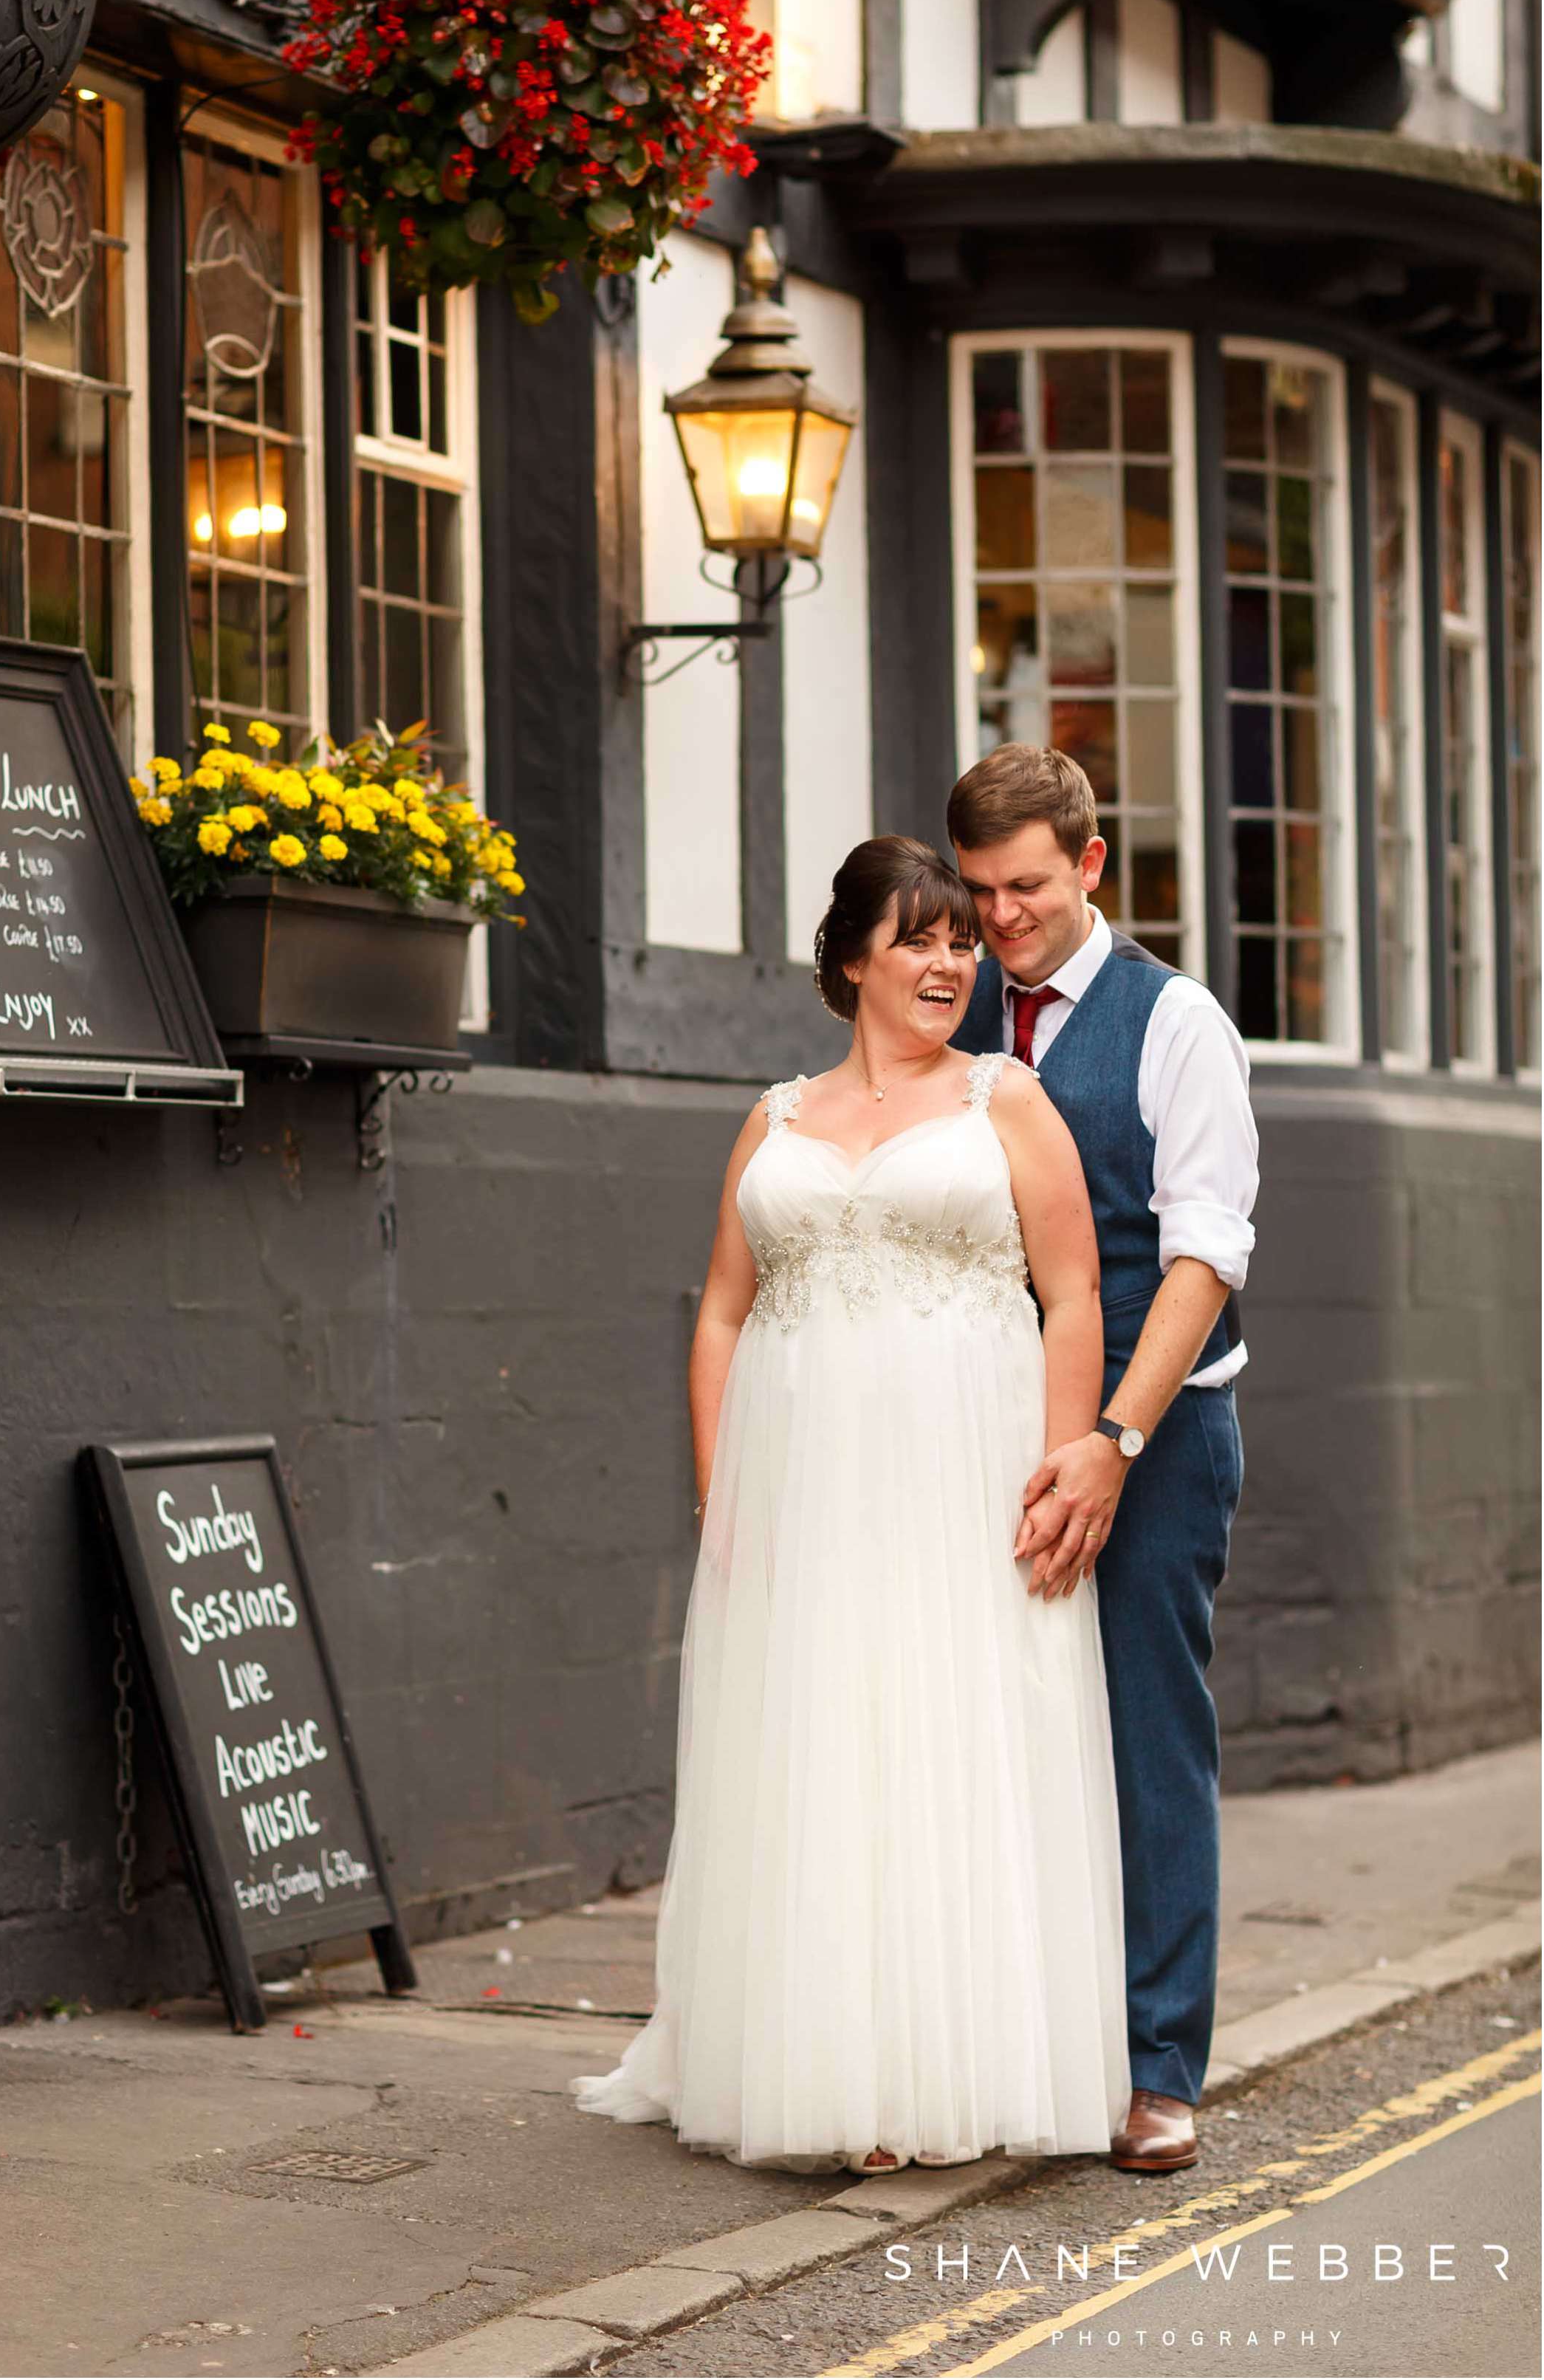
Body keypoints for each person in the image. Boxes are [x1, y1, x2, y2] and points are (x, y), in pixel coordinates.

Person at [570, 835, 1132, 2175]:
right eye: (919, 940)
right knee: (823, 1748)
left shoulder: (1007, 1100)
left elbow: (1075, 1295)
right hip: (807, 1495)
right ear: (851, 960)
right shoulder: (773, 1118)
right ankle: (829, 2062)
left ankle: (946, 2068)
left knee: (955, 1740)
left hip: (968, 1484)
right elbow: (720, 1310)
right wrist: (725, 1495)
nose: (950, 963)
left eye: (960, 941)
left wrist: (1067, 1465)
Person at [947, 743, 1258, 2176]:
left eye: (1025, 887)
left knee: (1145, 1735)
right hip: (975, 1427)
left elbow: (1202, 1256)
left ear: (1089, 865)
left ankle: (1157, 2064)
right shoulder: (953, 1009)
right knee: (996, 1735)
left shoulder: (1175, 1023)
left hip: (1159, 1426)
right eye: (977, 889)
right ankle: (1020, 2043)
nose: (999, 917)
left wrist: (1115, 1440)